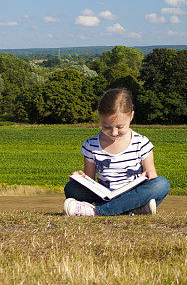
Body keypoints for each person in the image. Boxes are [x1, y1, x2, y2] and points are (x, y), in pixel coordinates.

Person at [63, 87, 169, 216]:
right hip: (104, 194)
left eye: (120, 127)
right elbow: (90, 179)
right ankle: (132, 209)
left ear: (131, 116)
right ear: (100, 118)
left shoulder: (141, 143)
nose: (113, 133)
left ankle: (97, 211)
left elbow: (152, 175)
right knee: (71, 188)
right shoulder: (90, 145)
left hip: (132, 193)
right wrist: (80, 179)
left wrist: (149, 177)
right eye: (106, 127)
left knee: (161, 184)